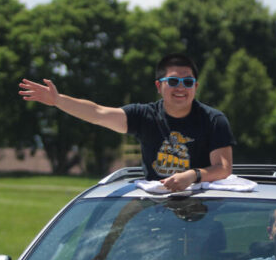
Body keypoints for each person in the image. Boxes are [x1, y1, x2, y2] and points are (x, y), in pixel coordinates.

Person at [19, 53, 234, 191]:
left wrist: (192, 176)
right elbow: (98, 113)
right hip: (154, 207)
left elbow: (223, 168)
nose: (181, 88)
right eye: (173, 81)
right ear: (159, 86)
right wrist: (58, 100)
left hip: (203, 209)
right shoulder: (143, 115)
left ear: (195, 87)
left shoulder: (213, 119)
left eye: (188, 82)